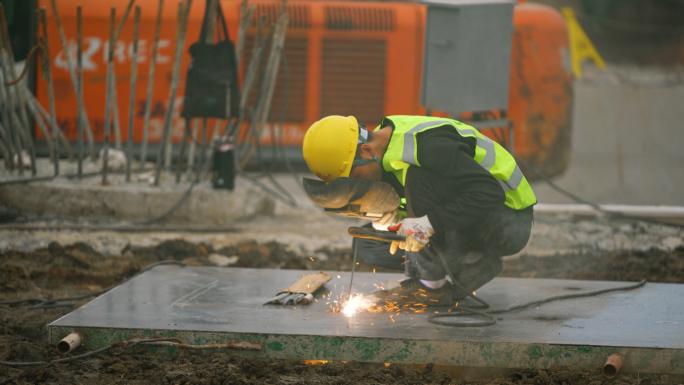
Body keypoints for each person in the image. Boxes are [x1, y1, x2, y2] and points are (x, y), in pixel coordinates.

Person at [302, 115, 536, 306]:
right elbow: (432, 201)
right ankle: (472, 262)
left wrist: (428, 224)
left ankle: (432, 288)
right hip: (467, 224)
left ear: (365, 151)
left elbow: (488, 193)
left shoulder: (427, 145)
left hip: (506, 222)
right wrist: (396, 221)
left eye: (354, 176)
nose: (358, 185)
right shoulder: (385, 151)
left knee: (418, 177)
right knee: (368, 243)